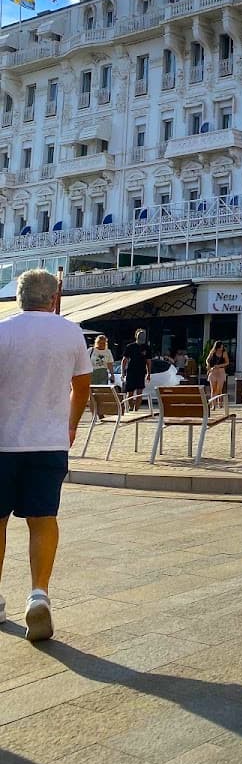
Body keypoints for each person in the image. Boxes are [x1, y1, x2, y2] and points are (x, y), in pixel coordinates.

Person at [0, 268, 92, 641]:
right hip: (49, 442)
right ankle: (38, 594)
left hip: (3, 442)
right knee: (42, 519)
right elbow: (82, 388)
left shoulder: (3, 331)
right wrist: (70, 425)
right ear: (54, 298)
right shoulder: (71, 332)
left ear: (19, 298)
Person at [121, 329, 151, 411]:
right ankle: (130, 407)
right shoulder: (130, 347)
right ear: (136, 336)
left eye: (143, 335)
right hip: (131, 372)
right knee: (130, 393)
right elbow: (124, 360)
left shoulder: (146, 348)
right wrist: (122, 372)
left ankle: (136, 410)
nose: (142, 337)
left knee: (139, 393)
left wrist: (148, 373)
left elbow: (148, 361)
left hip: (141, 372)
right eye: (140, 335)